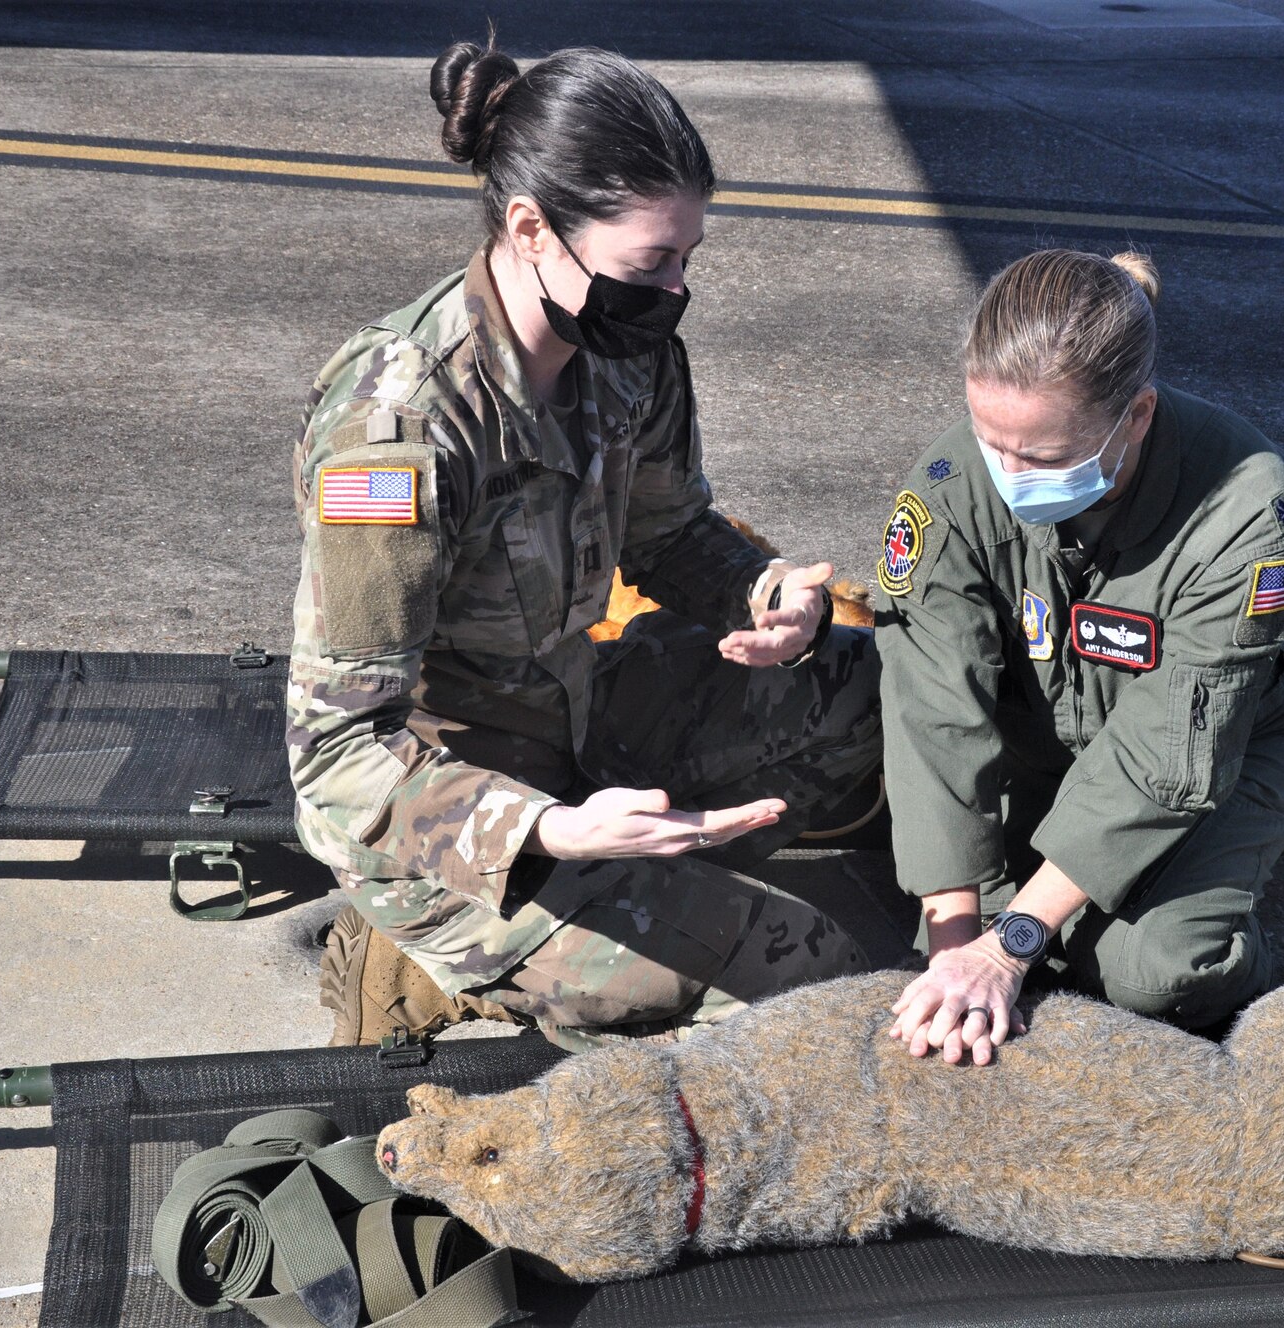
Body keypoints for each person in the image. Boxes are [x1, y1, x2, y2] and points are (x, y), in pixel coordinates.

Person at [289, 39, 880, 1051]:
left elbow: (670, 533)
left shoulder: (625, 354)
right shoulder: (399, 433)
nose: (676, 289)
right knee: (810, 973)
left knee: (865, 684)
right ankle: (429, 961)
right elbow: (337, 760)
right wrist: (546, 832)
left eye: (687, 257)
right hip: (449, 815)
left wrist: (766, 597)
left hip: (576, 711)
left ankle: (638, 909)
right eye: (650, 262)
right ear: (532, 228)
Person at [877, 249, 1284, 1066]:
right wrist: (955, 945)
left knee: (1156, 976)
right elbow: (932, 709)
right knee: (955, 932)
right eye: (993, 444)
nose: (1012, 476)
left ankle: (1251, 944)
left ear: (1139, 415)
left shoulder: (1249, 509)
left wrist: (1007, 946)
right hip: (1042, 746)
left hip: (1215, 752)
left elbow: (1173, 749)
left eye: (1046, 458)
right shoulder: (951, 480)